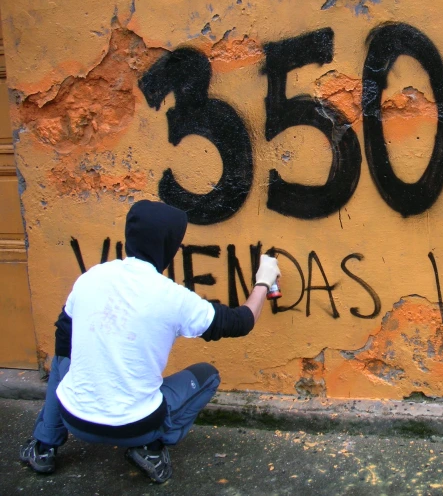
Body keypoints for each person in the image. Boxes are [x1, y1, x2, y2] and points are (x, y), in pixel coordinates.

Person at [19, 200, 280, 483]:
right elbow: (241, 321)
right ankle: (151, 447)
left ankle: (43, 445)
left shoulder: (91, 277)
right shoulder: (171, 297)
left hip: (74, 419)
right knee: (208, 376)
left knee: (62, 357)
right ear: (168, 245)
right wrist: (263, 282)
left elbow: (62, 339)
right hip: (136, 426)